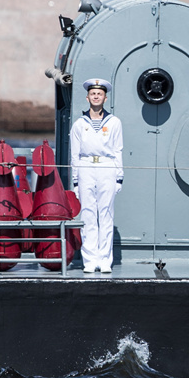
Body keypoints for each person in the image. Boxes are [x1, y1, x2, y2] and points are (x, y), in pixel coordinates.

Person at [70, 79, 123, 274]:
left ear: (105, 98)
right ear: (87, 97)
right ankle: (90, 259)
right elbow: (75, 154)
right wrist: (75, 180)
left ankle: (105, 259)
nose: (96, 97)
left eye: (99, 94)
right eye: (93, 94)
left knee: (106, 213)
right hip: (86, 167)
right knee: (88, 214)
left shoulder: (114, 122)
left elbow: (118, 150)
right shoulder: (79, 124)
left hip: (107, 166)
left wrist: (119, 177)